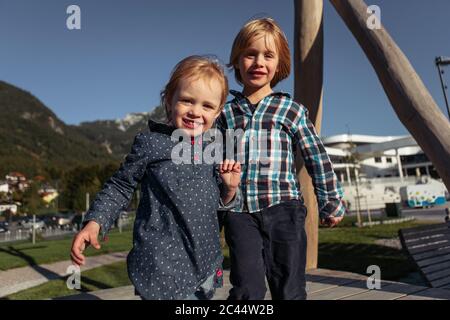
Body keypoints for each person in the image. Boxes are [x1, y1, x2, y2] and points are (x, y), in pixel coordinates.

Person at [70, 55, 241, 300]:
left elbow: (222, 206)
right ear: (168, 101)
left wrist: (230, 189)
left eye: (206, 106)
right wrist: (95, 221)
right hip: (161, 266)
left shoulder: (216, 150)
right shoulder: (152, 143)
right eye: (186, 101)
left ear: (217, 112)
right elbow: (120, 185)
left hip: (204, 264)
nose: (195, 112)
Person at [217, 17, 345, 300]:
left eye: (268, 55)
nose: (258, 62)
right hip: (240, 212)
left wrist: (330, 200)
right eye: (250, 54)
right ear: (237, 60)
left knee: (289, 288)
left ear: (279, 64)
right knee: (246, 288)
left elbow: (317, 157)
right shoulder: (225, 114)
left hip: (284, 209)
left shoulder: (292, 110)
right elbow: (211, 162)